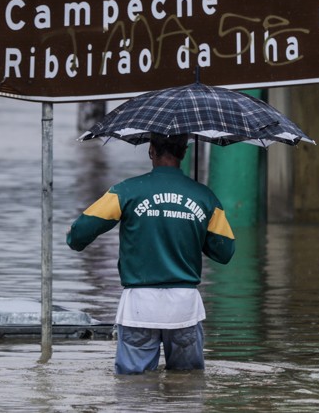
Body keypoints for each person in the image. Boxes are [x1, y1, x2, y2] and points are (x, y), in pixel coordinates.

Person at [67, 133, 235, 375]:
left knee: (133, 389)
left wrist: (73, 237)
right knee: (187, 387)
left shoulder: (126, 191)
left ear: (150, 150)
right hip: (185, 308)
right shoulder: (205, 197)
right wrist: (198, 225)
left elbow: (78, 235)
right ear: (184, 152)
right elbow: (225, 252)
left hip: (139, 308)